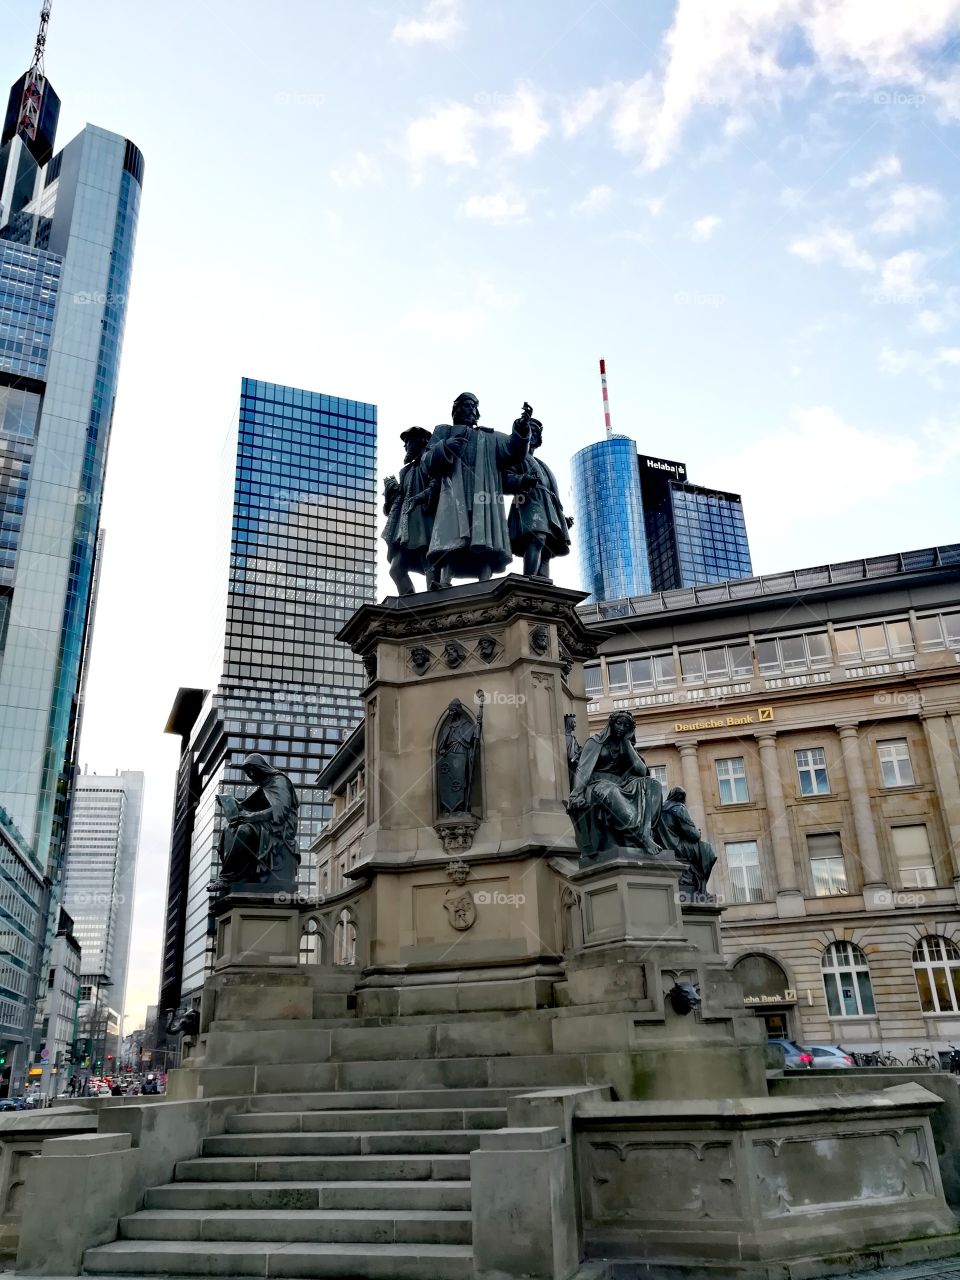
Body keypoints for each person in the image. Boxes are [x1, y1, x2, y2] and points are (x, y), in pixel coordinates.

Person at [422, 393, 531, 587]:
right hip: (454, 493)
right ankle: (445, 581)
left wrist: (521, 430)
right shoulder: (444, 431)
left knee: (484, 536)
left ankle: (485, 582)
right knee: (451, 535)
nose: (472, 410)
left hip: (484, 493)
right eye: (467, 405)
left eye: (474, 407)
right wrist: (445, 447)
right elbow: (426, 463)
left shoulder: (489, 437)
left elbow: (513, 450)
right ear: (456, 409)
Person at [568, 711, 664, 859]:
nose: (621, 728)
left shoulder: (625, 745)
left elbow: (641, 771)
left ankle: (646, 832)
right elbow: (583, 770)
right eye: (619, 723)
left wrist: (627, 742)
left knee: (653, 784)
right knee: (610, 791)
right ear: (611, 724)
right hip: (597, 785)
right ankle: (640, 836)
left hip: (622, 784)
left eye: (626, 726)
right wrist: (576, 795)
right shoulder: (595, 742)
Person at [217, 754, 299, 892]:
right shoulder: (264, 785)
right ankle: (237, 876)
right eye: (248, 773)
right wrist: (230, 802)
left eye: (252, 771)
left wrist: (251, 817)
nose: (251, 775)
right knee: (228, 829)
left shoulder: (279, 781)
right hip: (264, 822)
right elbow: (249, 808)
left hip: (280, 825)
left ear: (260, 768)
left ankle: (228, 878)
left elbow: (280, 811)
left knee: (244, 830)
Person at [504, 417, 573, 578]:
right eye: (529, 430)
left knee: (548, 547)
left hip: (548, 506)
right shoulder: (516, 458)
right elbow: (506, 479)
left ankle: (542, 581)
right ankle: (530, 579)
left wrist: (561, 518)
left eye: (535, 432)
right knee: (537, 538)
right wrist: (522, 480)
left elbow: (553, 493)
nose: (532, 434)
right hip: (529, 501)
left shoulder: (542, 465)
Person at [382, 427, 439, 594]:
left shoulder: (429, 460)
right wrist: (391, 493)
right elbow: (395, 505)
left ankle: (435, 598)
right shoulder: (406, 471)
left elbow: (437, 486)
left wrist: (419, 498)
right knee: (396, 569)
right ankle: (409, 602)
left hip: (425, 521)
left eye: (408, 442)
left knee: (428, 560)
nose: (405, 446)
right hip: (404, 528)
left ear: (420, 441)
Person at [656, 786, 718, 897]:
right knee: (708, 850)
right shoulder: (678, 808)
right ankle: (701, 890)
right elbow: (693, 835)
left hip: (664, 847)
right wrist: (698, 832)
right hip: (678, 847)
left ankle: (697, 883)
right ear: (681, 797)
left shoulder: (660, 809)